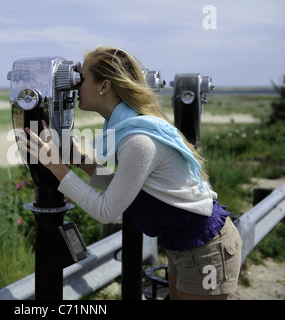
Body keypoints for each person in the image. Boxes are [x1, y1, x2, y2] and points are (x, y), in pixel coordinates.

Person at [23, 46, 242, 300]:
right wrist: (80, 161)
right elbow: (129, 188)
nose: (75, 87)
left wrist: (58, 170)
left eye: (81, 79)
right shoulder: (132, 127)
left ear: (104, 86)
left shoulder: (139, 139)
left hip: (206, 247)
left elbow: (106, 211)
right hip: (185, 244)